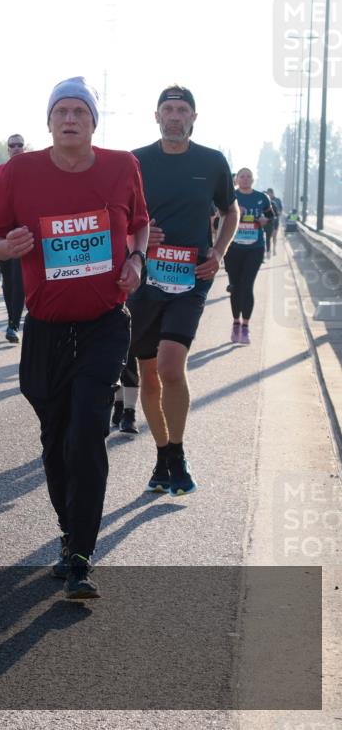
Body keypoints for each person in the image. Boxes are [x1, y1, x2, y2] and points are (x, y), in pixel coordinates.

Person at [0, 77, 149, 598]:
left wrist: (137, 259)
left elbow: (140, 224)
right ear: (49, 122)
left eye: (80, 111)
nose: (71, 119)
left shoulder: (122, 166)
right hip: (46, 329)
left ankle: (80, 555)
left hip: (104, 323)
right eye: (62, 111)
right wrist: (8, 247)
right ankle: (68, 531)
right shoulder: (19, 173)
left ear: (94, 122)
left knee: (86, 432)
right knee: (55, 439)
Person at [125, 85, 238, 495]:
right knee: (149, 375)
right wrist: (137, 237)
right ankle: (163, 456)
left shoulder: (212, 162)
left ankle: (177, 451)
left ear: (193, 118)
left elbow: (230, 210)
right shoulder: (134, 162)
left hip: (190, 279)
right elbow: (118, 216)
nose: (175, 117)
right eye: (168, 110)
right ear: (156, 116)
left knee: (171, 367)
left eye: (182, 110)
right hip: (144, 279)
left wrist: (219, 252)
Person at [225, 167, 272, 345]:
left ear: (253, 180)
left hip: (255, 248)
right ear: (237, 179)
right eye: (242, 176)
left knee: (247, 286)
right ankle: (235, 323)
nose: (245, 179)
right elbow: (217, 219)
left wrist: (265, 220)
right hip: (233, 248)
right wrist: (234, 213)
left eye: (248, 176)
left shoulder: (262, 197)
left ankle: (245, 327)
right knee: (235, 287)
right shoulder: (230, 197)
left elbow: (270, 216)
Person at [0, 134, 27, 342]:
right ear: (8, 149)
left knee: (19, 278)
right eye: (12, 145)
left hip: (26, 233)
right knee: (8, 280)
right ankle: (12, 318)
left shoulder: (34, 168)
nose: (16, 147)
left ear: (24, 147)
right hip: (3, 235)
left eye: (20, 144)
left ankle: (13, 324)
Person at [264, 188, 282, 258]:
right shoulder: (264, 202)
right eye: (267, 194)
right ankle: (268, 250)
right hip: (268, 222)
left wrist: (276, 215)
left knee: (274, 236)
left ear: (272, 193)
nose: (268, 195)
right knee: (268, 236)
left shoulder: (277, 201)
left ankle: (274, 249)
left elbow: (280, 210)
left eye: (269, 193)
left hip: (275, 221)